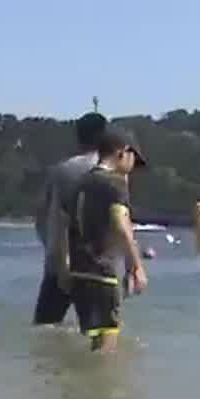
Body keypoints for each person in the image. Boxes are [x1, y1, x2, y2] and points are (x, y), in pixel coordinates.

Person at [50, 125, 149, 352]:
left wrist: (64, 266)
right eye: (134, 158)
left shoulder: (79, 183)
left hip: (79, 272)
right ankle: (105, 387)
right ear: (122, 152)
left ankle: (84, 386)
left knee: (96, 339)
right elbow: (121, 224)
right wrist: (136, 266)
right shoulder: (114, 184)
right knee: (107, 346)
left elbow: (64, 226)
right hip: (103, 272)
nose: (132, 167)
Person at [33, 112, 111, 326]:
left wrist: (53, 253)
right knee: (100, 334)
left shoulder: (62, 171)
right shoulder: (112, 171)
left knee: (45, 328)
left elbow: (44, 217)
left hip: (58, 263)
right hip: (97, 266)